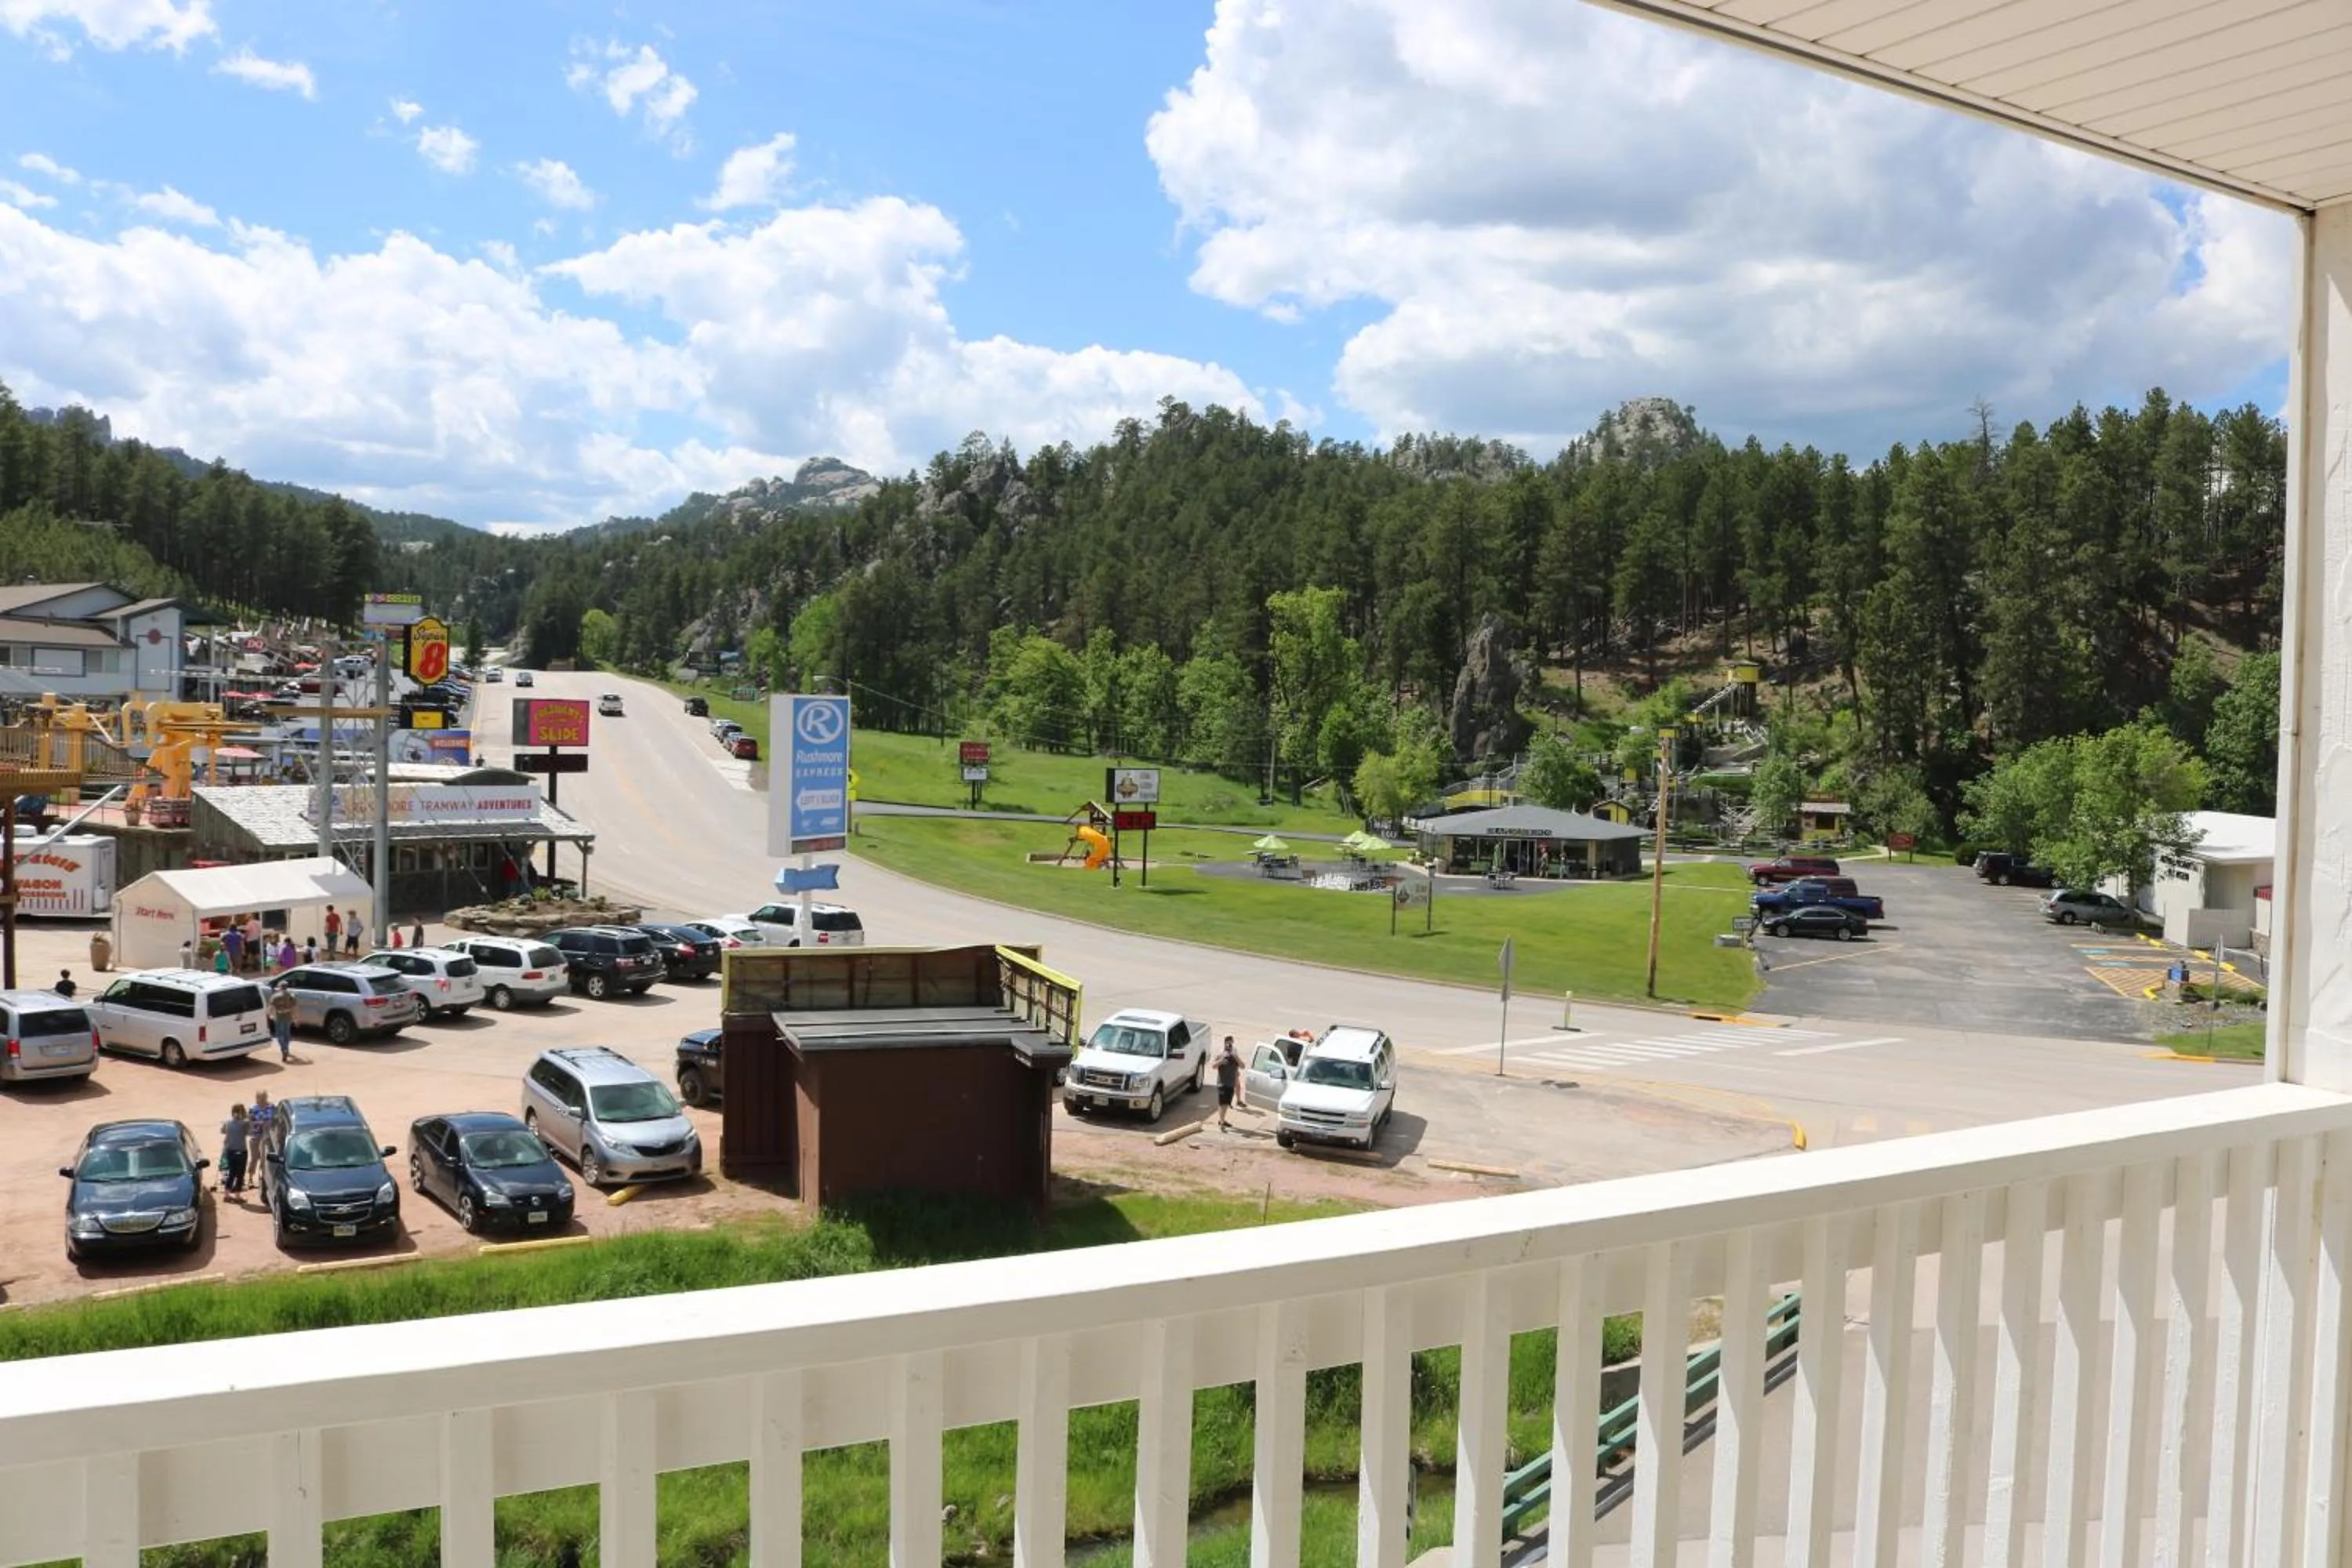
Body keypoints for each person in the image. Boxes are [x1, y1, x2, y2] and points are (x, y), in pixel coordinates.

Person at [219, 1104, 249, 1196]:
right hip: (241, 1151)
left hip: (230, 1150)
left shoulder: (228, 1122)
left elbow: (222, 1131)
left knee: (232, 1173)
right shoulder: (245, 1123)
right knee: (240, 1174)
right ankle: (237, 1195)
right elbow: (248, 1132)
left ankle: (227, 1193)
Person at [1214, 1036, 1242, 1131]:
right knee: (1222, 1103)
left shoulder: (1234, 1056)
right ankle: (1222, 1122)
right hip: (1222, 1083)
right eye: (1227, 1045)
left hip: (1231, 1083)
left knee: (1226, 1104)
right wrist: (1221, 1061)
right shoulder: (1221, 1054)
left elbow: (1243, 1066)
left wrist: (1236, 1057)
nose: (1229, 1048)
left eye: (1231, 1045)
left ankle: (1222, 1119)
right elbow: (1213, 1066)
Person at [268, 978, 296, 1062]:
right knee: (287, 1034)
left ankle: (283, 1048)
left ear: (280, 987)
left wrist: (270, 1015)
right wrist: (295, 1018)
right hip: (288, 1017)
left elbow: (271, 1007)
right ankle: (286, 1049)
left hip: (279, 1016)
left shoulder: (275, 996)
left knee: (279, 1034)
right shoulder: (291, 996)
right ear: (287, 987)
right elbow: (294, 1008)